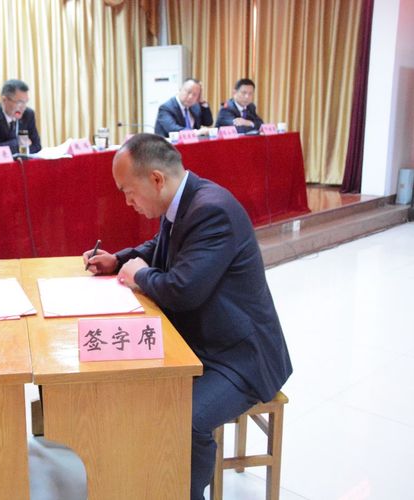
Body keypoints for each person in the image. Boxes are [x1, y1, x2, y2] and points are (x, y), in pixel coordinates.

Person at [83, 133, 292, 500]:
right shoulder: (184, 201)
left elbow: (183, 290)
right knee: (136, 386)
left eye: (128, 192)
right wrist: (119, 260)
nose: (127, 202)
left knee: (186, 420)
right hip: (204, 340)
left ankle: (183, 492)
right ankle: (139, 477)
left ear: (156, 179)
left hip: (238, 356)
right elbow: (160, 247)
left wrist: (139, 275)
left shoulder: (212, 210)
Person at [0, 79, 41, 154]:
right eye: (19, 102)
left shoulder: (28, 114)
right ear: (4, 100)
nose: (23, 107)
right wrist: (20, 142)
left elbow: (37, 146)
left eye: (25, 102)